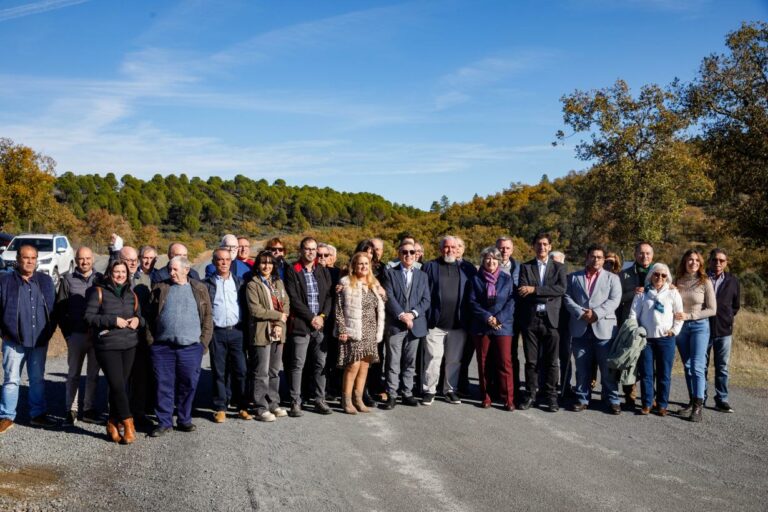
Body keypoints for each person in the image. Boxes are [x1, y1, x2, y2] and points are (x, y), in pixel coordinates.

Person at [146, 256, 213, 437]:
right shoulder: (160, 288)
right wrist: (152, 343)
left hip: (191, 348)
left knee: (188, 384)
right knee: (163, 385)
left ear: (186, 269)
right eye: (170, 269)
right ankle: (164, 422)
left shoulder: (199, 289)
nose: (171, 273)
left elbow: (207, 318)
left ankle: (184, 419)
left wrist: (202, 345)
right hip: (163, 348)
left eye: (175, 269)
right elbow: (149, 318)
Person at [84, 260, 144, 443]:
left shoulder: (131, 294)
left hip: (129, 345)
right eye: (116, 271)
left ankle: (111, 423)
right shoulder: (99, 292)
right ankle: (128, 423)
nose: (120, 275)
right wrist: (112, 320)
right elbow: (89, 317)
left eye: (123, 272)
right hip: (108, 346)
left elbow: (141, 318)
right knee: (117, 385)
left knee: (120, 387)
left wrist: (138, 322)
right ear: (110, 273)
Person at [0, 245, 57, 434]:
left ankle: (37, 414)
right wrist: (4, 333)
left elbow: (53, 310)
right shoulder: (6, 281)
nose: (30, 261)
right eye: (26, 257)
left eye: (33, 257)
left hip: (38, 341)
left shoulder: (45, 281)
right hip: (13, 341)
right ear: (18, 259)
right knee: (11, 380)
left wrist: (48, 331)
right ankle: (7, 416)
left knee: (37, 379)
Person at [564, 244, 623, 414]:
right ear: (587, 257)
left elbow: (614, 300)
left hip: (604, 328)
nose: (596, 259)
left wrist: (596, 313)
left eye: (599, 257)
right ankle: (582, 398)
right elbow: (567, 297)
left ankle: (612, 399)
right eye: (593, 256)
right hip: (580, 328)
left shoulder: (612, 278)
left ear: (604, 260)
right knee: (582, 368)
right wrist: (581, 313)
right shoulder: (574, 277)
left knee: (607, 369)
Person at [284, 236, 334, 417]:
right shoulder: (293, 270)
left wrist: (321, 316)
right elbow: (294, 299)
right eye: (307, 249)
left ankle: (319, 399)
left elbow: (329, 296)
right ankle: (295, 402)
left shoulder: (321, 270)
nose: (311, 252)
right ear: (301, 250)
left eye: (314, 249)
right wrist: (311, 318)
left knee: (321, 363)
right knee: (298, 365)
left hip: (320, 326)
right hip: (301, 326)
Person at [517, 232, 567, 412]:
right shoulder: (525, 267)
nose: (542, 247)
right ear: (533, 246)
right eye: (538, 244)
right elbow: (523, 290)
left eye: (545, 244)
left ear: (550, 247)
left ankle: (551, 397)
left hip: (551, 320)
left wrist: (535, 290)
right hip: (531, 320)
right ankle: (530, 394)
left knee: (552, 361)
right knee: (531, 361)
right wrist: (546, 293)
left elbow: (560, 289)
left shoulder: (559, 267)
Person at [422, 236, 473, 405]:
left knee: (454, 360)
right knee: (433, 358)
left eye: (453, 247)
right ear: (440, 248)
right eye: (446, 247)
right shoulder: (430, 266)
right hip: (435, 324)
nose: (450, 250)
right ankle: (429, 390)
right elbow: (423, 292)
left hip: (458, 324)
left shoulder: (467, 268)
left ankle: (450, 390)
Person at [55, 246, 103, 425]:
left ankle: (88, 409)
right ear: (76, 259)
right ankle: (71, 410)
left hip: (96, 336)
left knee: (93, 374)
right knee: (73, 374)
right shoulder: (67, 280)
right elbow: (60, 309)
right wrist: (67, 335)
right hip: (76, 335)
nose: (85, 262)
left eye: (88, 258)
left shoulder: (100, 279)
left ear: (93, 259)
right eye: (81, 259)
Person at [629, 263, 684, 416]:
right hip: (646, 340)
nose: (659, 277)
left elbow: (679, 315)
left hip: (666, 339)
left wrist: (674, 331)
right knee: (647, 373)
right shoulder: (642, 293)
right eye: (656, 274)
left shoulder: (673, 293)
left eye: (663, 275)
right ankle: (647, 403)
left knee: (664, 373)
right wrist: (636, 331)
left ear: (667, 277)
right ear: (651, 275)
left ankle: (662, 405)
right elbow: (633, 314)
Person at [335, 252, 386, 414]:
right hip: (353, 329)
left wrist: (383, 293)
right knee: (353, 364)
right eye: (360, 264)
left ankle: (359, 399)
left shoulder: (374, 284)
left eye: (366, 264)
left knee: (365, 365)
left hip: (370, 329)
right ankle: (346, 400)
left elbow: (382, 303)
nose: (363, 266)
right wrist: (342, 329)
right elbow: (338, 309)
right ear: (354, 266)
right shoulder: (345, 283)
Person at [381, 241, 430, 409]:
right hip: (396, 324)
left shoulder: (422, 275)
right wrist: (402, 315)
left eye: (412, 252)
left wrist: (413, 314)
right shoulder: (390, 273)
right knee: (393, 361)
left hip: (415, 325)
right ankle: (392, 394)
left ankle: (407, 393)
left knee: (410, 362)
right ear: (399, 253)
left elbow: (426, 300)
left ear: (417, 254)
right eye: (405, 252)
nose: (408, 255)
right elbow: (389, 296)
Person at [204, 248, 250, 423]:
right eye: (220, 260)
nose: (223, 263)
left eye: (227, 260)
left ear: (231, 261)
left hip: (237, 331)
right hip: (217, 333)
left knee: (241, 370)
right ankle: (220, 407)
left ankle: (242, 407)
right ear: (214, 262)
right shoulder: (207, 284)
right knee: (219, 371)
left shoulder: (239, 283)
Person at [468, 247, 516, 410]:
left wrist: (499, 318)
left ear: (499, 261)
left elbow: (511, 301)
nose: (491, 262)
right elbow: (472, 302)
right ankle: (486, 396)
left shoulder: (507, 279)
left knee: (504, 362)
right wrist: (488, 317)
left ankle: (508, 398)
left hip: (503, 326)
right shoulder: (475, 279)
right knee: (483, 363)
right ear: (483, 260)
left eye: (494, 259)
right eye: (487, 258)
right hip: (482, 325)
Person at [246, 250, 290, 422]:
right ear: (257, 265)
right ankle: (260, 407)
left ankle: (273, 403)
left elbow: (285, 304)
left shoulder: (278, 283)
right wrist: (278, 316)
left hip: (278, 332)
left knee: (274, 371)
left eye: (270, 263)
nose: (267, 266)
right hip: (262, 332)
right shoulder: (253, 285)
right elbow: (255, 310)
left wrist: (279, 324)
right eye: (263, 263)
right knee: (261, 372)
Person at [674, 249, 717, 422]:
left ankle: (698, 407)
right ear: (684, 262)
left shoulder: (705, 282)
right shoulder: (677, 281)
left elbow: (712, 310)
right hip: (681, 329)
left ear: (700, 263)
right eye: (690, 260)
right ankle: (691, 402)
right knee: (687, 366)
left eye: (696, 260)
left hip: (699, 327)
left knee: (697, 366)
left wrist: (690, 316)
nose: (693, 263)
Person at [616, 242, 654, 408]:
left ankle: (649, 396)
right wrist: (633, 292)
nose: (644, 256)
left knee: (649, 363)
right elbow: (617, 299)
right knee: (629, 359)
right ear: (635, 254)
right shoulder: (624, 275)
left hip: (651, 326)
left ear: (652, 255)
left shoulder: (659, 273)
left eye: (647, 253)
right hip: (630, 325)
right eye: (641, 253)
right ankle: (629, 394)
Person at [122, 246, 155, 430]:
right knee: (121, 378)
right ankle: (120, 413)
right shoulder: (114, 278)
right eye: (128, 259)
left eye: (135, 259)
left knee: (141, 377)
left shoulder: (145, 280)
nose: (133, 263)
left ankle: (139, 413)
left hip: (141, 336)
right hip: (120, 337)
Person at [706, 248, 740, 413]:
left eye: (721, 260)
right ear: (709, 261)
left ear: (726, 263)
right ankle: (699, 398)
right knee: (701, 366)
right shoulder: (701, 277)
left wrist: (726, 318)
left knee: (722, 367)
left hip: (724, 331)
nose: (717, 263)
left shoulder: (733, 280)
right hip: (703, 329)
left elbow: (735, 306)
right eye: (714, 260)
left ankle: (722, 399)